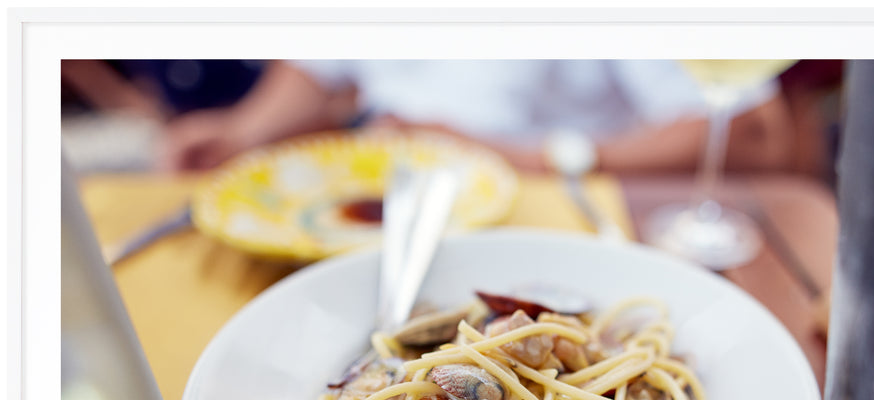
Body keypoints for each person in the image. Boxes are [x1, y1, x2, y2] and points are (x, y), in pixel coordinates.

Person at [157, 59, 796, 175]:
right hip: (378, 184)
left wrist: (505, 154)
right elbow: (318, 63)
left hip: (551, 192)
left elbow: (752, 129)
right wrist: (244, 130)